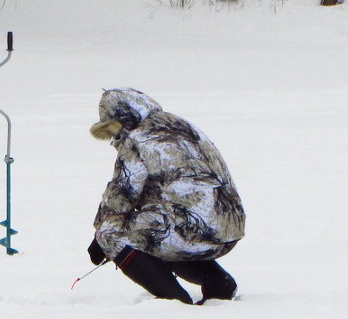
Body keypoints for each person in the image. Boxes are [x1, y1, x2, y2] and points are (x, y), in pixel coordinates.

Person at [87, 87, 245, 304]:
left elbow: (122, 193)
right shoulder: (181, 126)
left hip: (191, 230)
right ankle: (218, 281)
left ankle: (174, 301)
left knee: (112, 234)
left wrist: (99, 233)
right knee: (152, 228)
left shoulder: (137, 139)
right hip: (228, 227)